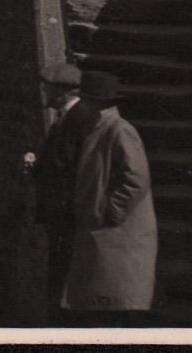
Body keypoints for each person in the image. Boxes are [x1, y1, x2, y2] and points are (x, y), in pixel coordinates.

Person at [61, 71, 158, 326]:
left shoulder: (119, 130)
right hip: (105, 232)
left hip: (117, 234)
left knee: (116, 304)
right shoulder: (98, 128)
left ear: (93, 101)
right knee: (102, 302)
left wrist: (109, 211)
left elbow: (136, 178)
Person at [28, 63, 90, 324]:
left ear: (62, 92)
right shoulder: (65, 117)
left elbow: (72, 167)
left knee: (64, 271)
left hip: (67, 215)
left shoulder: (79, 119)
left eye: (48, 88)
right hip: (58, 214)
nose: (44, 92)